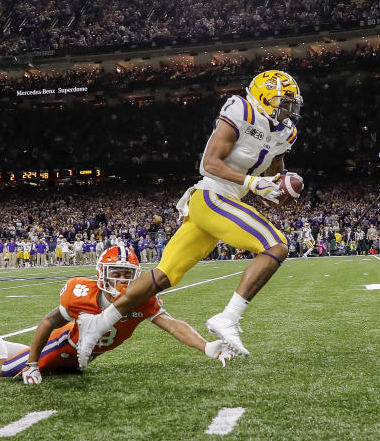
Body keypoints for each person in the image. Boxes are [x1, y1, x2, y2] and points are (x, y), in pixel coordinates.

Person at [73, 70, 302, 366]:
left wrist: (281, 186)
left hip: (223, 201)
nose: (288, 111)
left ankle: (98, 324)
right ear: (262, 98)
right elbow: (210, 164)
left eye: (291, 104)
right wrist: (252, 183)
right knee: (276, 245)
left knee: (163, 276)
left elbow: (274, 171)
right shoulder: (241, 109)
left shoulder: (285, 132)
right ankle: (228, 317)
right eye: (283, 103)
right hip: (212, 195)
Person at [0, 246, 235, 383]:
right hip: (63, 348)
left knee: (38, 361)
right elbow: (48, 322)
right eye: (116, 273)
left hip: (75, 359)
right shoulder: (80, 294)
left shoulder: (141, 298)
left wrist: (206, 347)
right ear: (101, 274)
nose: (122, 281)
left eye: (127, 275)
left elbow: (172, 325)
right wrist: (32, 363)